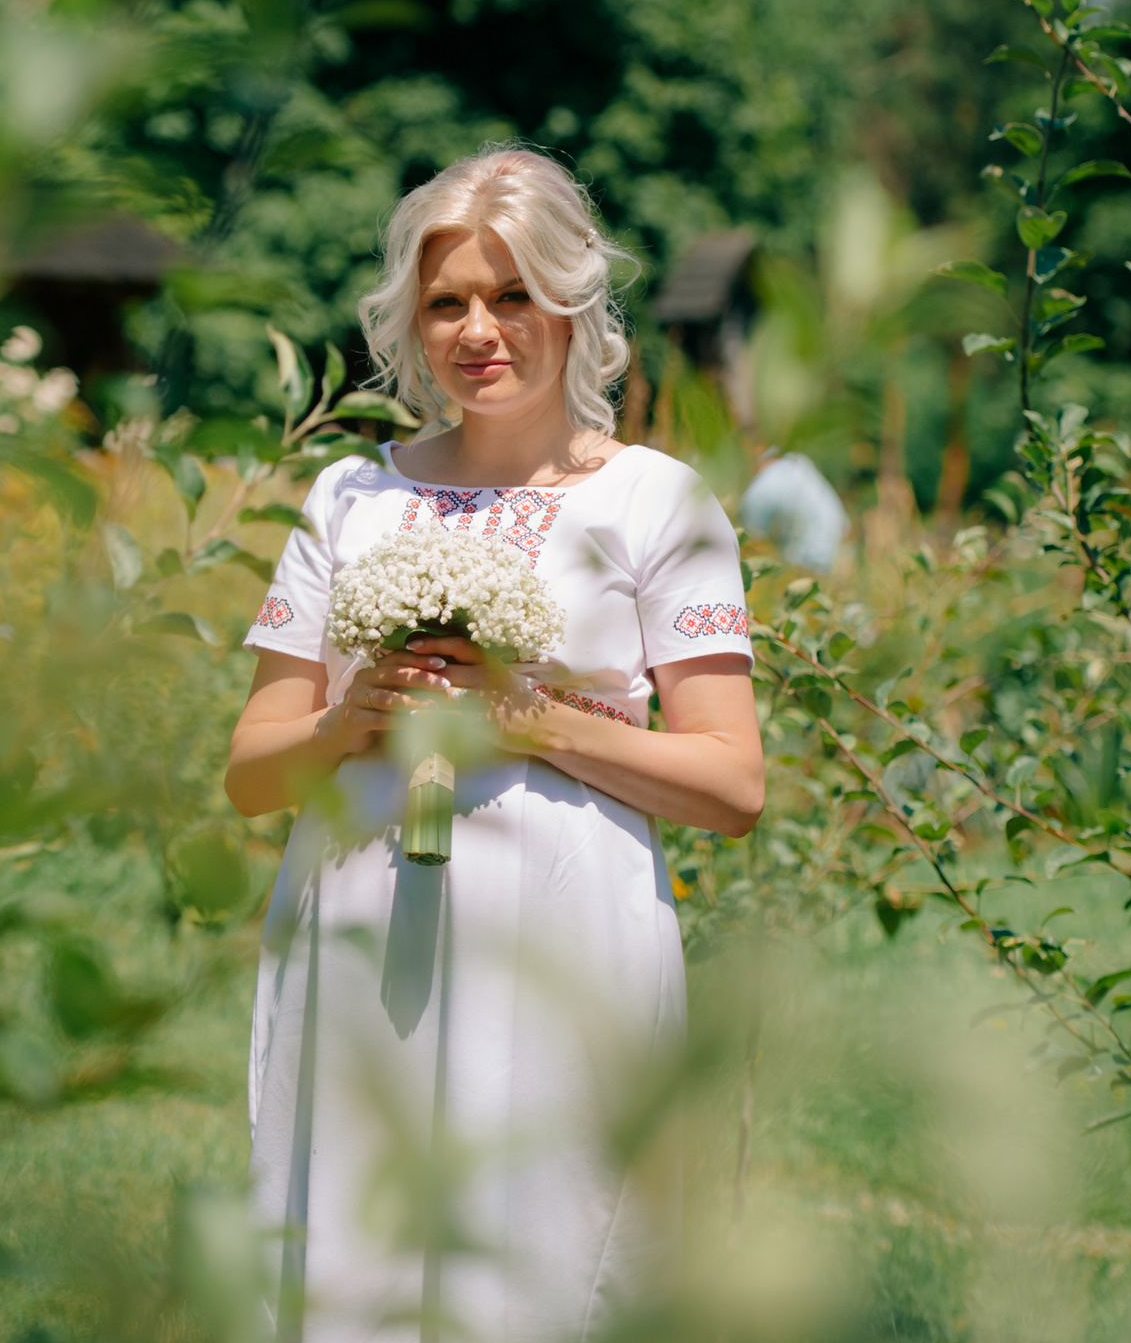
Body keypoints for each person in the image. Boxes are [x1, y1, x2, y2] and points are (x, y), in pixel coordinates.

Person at [226, 147, 765, 1343]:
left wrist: (531, 719)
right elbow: (251, 771)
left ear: (572, 302)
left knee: (545, 1262)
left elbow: (731, 784)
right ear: (411, 325)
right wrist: (346, 721)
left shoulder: (655, 503)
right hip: (359, 941)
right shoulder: (349, 500)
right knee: (350, 1266)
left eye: (512, 294)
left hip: (563, 952)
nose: (481, 329)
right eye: (447, 302)